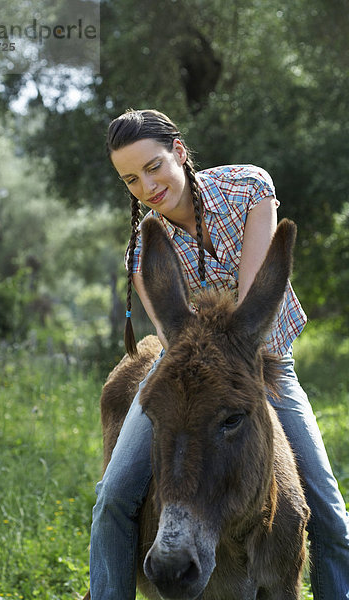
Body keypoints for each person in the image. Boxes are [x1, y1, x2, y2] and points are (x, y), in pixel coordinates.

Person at [88, 109, 349, 600]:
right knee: (113, 499)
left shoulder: (248, 189)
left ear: (180, 153)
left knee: (329, 513)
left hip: (263, 364)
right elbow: (173, 339)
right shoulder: (146, 250)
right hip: (185, 376)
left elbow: (252, 304)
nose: (146, 186)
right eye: (130, 179)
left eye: (153, 166)